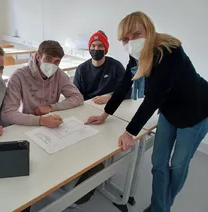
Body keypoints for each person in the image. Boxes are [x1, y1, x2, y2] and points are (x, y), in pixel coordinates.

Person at [86, 11, 208, 212]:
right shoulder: (136, 55)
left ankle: (160, 207)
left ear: (148, 30)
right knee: (158, 162)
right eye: (125, 38)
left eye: (135, 34)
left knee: (177, 166)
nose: (130, 41)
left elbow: (155, 97)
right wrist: (104, 114)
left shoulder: (170, 51)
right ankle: (161, 207)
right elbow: (124, 84)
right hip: (169, 111)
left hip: (196, 111)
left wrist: (129, 132)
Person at [1, 40, 83, 127]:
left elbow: (78, 97)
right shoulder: (18, 76)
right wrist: (40, 120)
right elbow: (7, 114)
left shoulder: (59, 74)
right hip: (26, 123)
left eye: (56, 61)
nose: (52, 65)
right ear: (38, 57)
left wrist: (51, 107)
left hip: (50, 120)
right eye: (48, 59)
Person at [73, 30, 131, 104]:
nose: (96, 49)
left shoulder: (116, 66)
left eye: (100, 46)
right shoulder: (81, 69)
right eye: (93, 45)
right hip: (89, 105)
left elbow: (128, 91)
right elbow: (75, 94)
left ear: (105, 49)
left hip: (110, 105)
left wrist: (110, 97)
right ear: (89, 48)